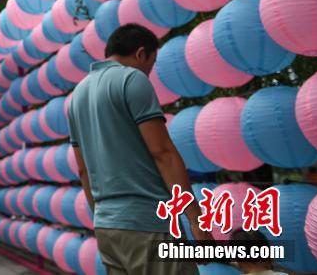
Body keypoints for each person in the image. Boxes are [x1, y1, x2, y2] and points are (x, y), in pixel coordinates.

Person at [67, 23, 212, 275]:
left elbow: (83, 170)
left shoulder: (77, 95)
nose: (149, 72)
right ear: (141, 53)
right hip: (148, 223)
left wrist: (102, 217)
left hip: (107, 228)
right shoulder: (131, 79)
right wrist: (196, 221)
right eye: (151, 64)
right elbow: (163, 153)